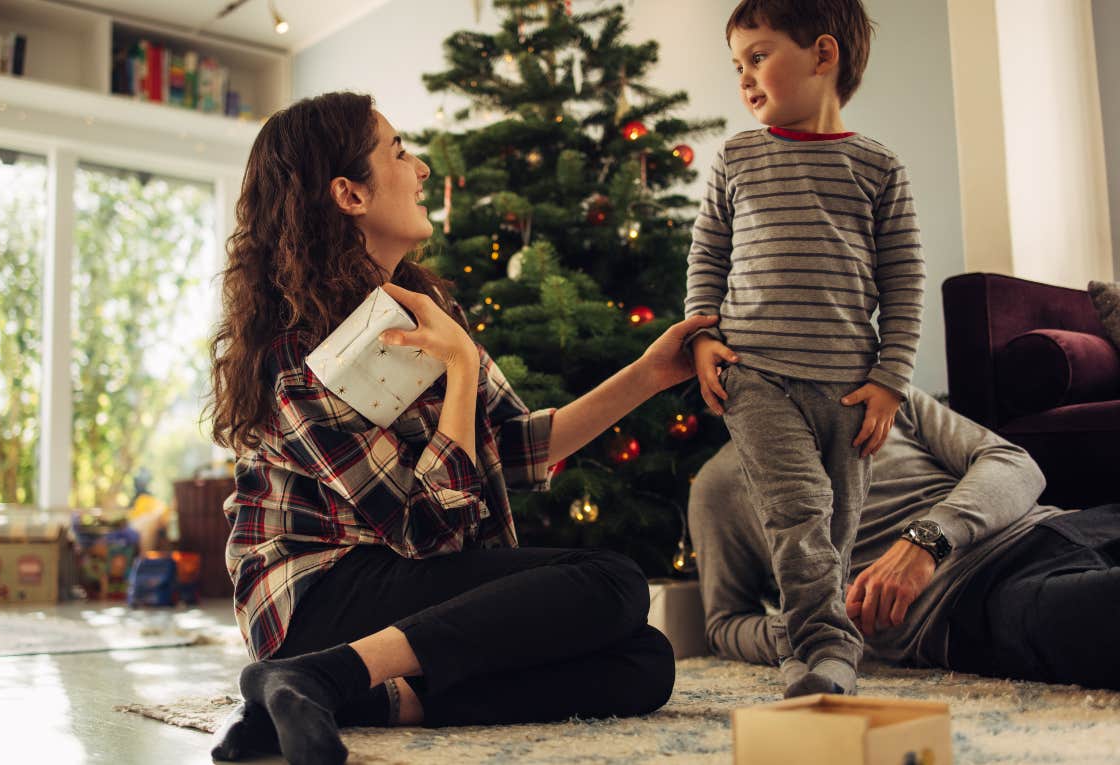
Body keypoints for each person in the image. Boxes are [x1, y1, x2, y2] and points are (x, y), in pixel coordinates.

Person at [205, 92, 715, 765]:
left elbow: (515, 446)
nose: (420, 171)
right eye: (399, 152)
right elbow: (431, 532)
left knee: (646, 659)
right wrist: (461, 367)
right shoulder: (300, 354)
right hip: (316, 601)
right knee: (615, 580)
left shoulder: (421, 307)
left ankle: (348, 696)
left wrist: (650, 374)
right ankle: (316, 672)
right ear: (350, 195)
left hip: (393, 581)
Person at [682, 0, 926, 697]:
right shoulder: (737, 156)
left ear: (823, 56)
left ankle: (810, 639)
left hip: (850, 388)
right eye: (737, 65)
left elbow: (904, 280)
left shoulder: (879, 167)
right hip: (758, 379)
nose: (744, 79)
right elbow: (708, 256)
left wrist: (891, 379)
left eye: (757, 57)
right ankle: (821, 652)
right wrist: (703, 335)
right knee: (797, 511)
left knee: (837, 526)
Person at [689, 386, 1120, 692]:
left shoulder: (892, 397)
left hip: (1064, 526)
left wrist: (926, 540)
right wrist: (813, 621)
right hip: (976, 600)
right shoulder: (719, 486)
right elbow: (725, 622)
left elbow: (1013, 463)